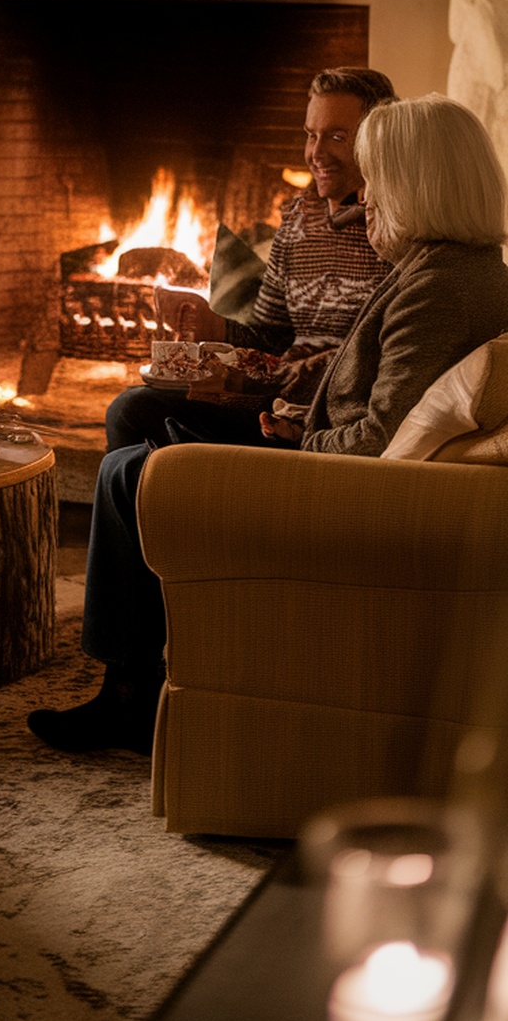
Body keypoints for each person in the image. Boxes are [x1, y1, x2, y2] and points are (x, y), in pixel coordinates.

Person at [30, 94, 508, 756]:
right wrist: (284, 377)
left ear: (416, 187)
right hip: (319, 447)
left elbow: (374, 437)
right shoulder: (451, 269)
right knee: (141, 415)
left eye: (377, 182)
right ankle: (151, 637)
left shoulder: (438, 289)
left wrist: (300, 437)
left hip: (331, 485)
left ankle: (130, 693)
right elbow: (369, 374)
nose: (365, 198)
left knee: (124, 473)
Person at [106, 66, 397, 452]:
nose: (316, 153)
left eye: (337, 137)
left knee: (134, 416)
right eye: (311, 136)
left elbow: (375, 362)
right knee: (130, 412)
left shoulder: (393, 230)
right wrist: (213, 323)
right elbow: (271, 336)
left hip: (323, 419)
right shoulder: (297, 219)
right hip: (273, 401)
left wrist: (249, 382)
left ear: (376, 140)